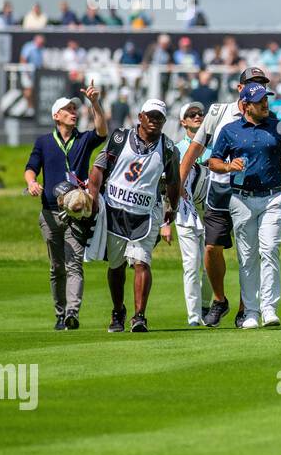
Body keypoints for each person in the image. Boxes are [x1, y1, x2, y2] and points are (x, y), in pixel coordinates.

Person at [179, 66, 278, 327]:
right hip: (221, 191)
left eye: (261, 83)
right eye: (252, 83)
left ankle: (248, 309)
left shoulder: (271, 118)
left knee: (253, 252)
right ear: (240, 88)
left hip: (255, 193)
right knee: (211, 248)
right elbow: (194, 150)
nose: (258, 87)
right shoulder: (217, 112)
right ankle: (220, 299)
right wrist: (178, 186)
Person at [208, 83, 281, 328]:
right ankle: (251, 312)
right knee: (247, 256)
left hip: (273, 197)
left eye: (266, 99)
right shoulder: (230, 130)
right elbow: (213, 161)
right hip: (241, 199)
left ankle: (269, 308)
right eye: (260, 101)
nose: (266, 104)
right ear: (245, 105)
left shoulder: (279, 126)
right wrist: (228, 167)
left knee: (270, 250)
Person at [86, 98, 180, 333]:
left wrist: (172, 207)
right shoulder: (120, 137)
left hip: (146, 214)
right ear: (140, 117)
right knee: (116, 265)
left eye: (159, 117)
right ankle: (118, 311)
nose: (154, 121)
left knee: (142, 261)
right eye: (151, 116)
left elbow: (174, 180)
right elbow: (99, 167)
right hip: (115, 211)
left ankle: (140, 316)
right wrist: (93, 197)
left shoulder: (168, 148)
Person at [24, 87, 109, 330]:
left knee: (74, 264)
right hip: (50, 213)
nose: (73, 112)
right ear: (56, 116)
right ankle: (60, 314)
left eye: (74, 109)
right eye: (68, 109)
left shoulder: (83, 139)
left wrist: (95, 103)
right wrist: (31, 183)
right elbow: (31, 167)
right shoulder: (43, 142)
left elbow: (102, 130)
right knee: (57, 267)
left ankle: (72, 313)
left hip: (76, 214)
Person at [172, 102, 209, 327]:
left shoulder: (215, 146)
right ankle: (194, 317)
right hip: (185, 212)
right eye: (191, 114)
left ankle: (205, 309)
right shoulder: (176, 149)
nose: (197, 116)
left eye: (199, 113)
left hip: (211, 211)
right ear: (183, 121)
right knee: (191, 263)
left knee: (210, 263)